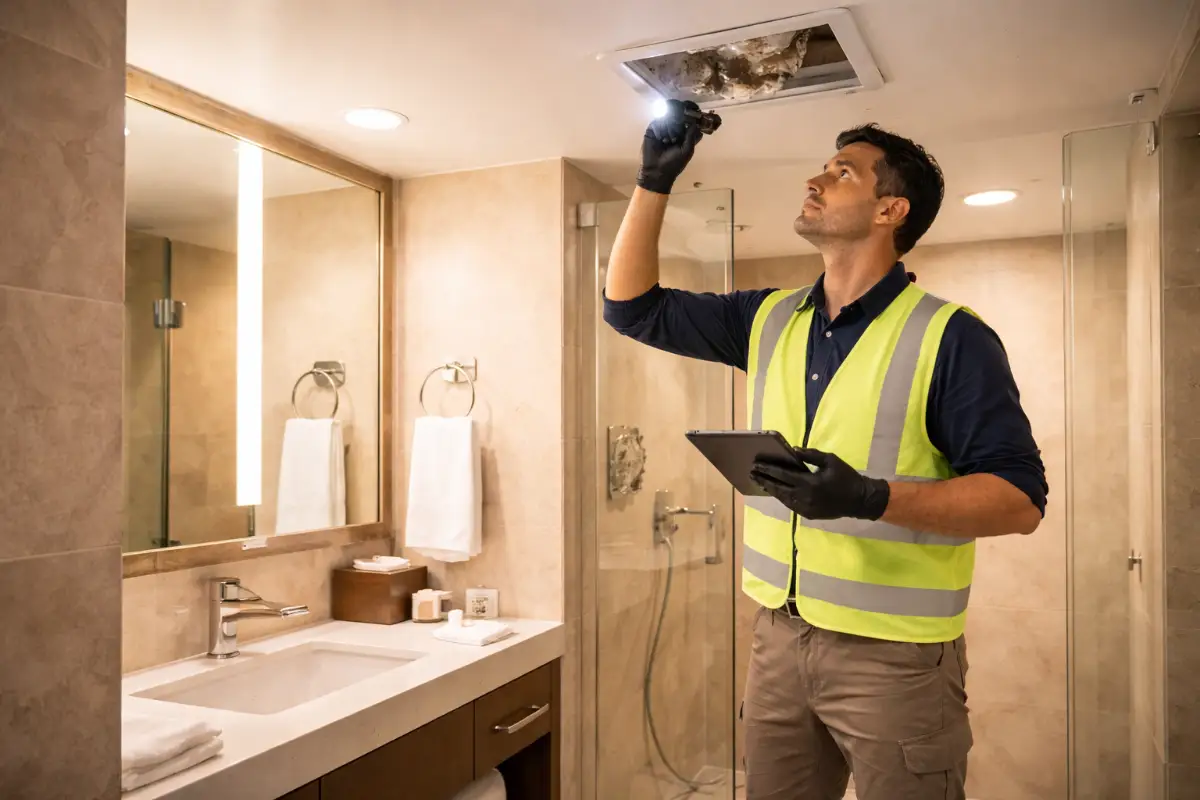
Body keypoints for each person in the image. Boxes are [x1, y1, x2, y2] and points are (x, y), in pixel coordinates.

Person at [603, 100, 1048, 800]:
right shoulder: (768, 318)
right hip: (777, 640)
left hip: (895, 659)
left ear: (890, 211)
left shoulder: (952, 337)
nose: (815, 180)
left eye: (843, 173)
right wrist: (654, 180)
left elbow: (1020, 502)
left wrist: (871, 498)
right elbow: (631, 308)